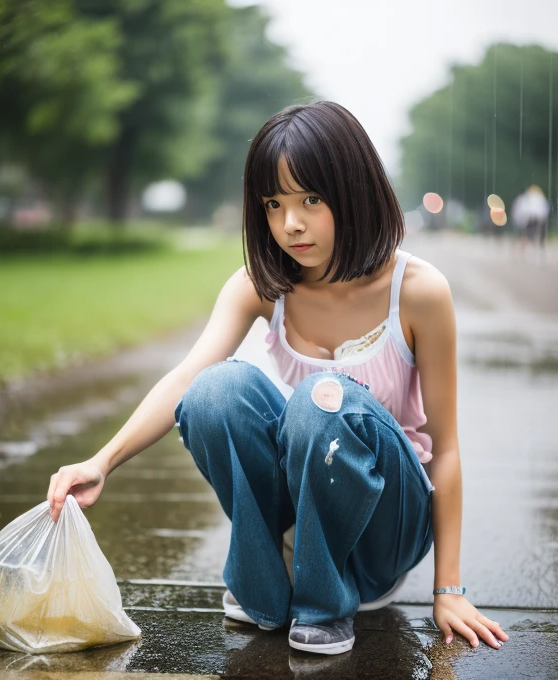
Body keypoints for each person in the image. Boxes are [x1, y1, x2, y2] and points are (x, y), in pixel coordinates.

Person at [46, 102, 509, 656]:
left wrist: (449, 590)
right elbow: (185, 380)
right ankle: (267, 587)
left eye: (311, 199)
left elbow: (448, 449)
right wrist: (100, 462)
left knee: (322, 398)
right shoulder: (262, 285)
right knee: (216, 390)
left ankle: (323, 606)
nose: (291, 223)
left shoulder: (417, 291)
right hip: (308, 508)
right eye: (274, 203)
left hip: (386, 527)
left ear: (354, 189)